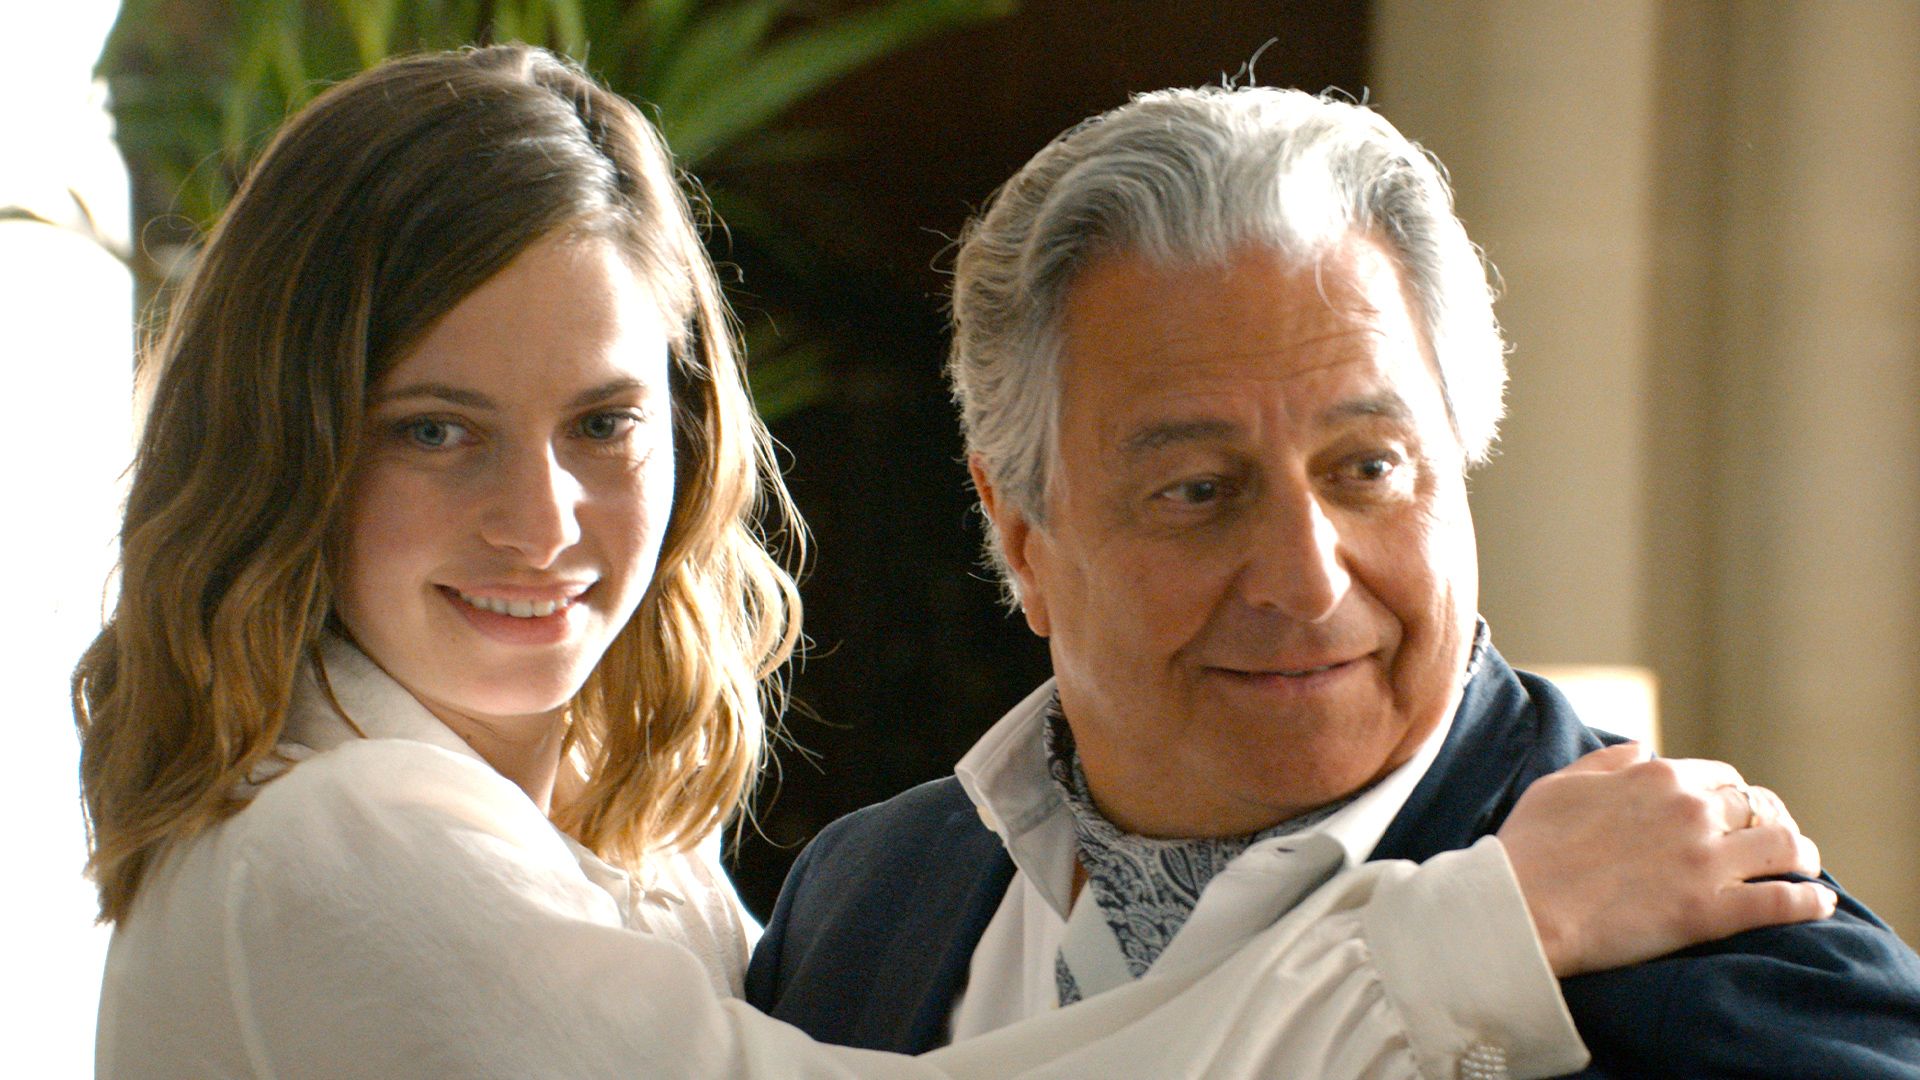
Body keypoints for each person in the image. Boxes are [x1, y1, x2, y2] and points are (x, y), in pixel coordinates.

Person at [77, 47, 1828, 1080]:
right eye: (432, 430)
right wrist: (1466, 942)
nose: (543, 521)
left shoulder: (1716, 945)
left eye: (604, 419)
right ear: (1019, 531)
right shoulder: (343, 843)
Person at [746, 85, 1920, 1076]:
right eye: (1199, 490)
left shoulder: (1722, 957)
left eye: (1369, 468)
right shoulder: (862, 902)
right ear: (1019, 534)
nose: (1306, 582)